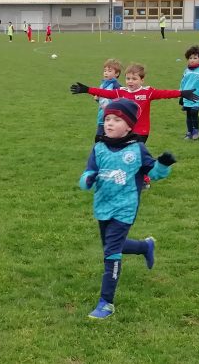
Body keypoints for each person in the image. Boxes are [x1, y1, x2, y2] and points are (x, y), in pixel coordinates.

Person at [79, 98, 176, 319]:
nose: (109, 123)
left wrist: (163, 165)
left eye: (116, 119)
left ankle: (106, 303)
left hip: (125, 208)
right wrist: (87, 179)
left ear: (129, 126)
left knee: (111, 253)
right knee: (112, 245)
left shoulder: (137, 149)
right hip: (102, 206)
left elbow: (152, 174)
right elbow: (87, 173)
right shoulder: (99, 148)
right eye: (107, 119)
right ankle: (144, 247)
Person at [71, 64, 199, 142]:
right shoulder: (122, 91)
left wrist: (182, 93)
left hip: (141, 131)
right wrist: (87, 89)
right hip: (126, 130)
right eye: (128, 79)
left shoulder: (148, 92)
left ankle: (144, 178)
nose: (130, 82)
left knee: (137, 155)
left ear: (142, 80)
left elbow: (165, 93)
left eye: (134, 79)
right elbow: (105, 93)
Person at [94, 59, 123, 136]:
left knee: (110, 141)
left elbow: (119, 103)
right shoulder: (103, 85)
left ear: (116, 74)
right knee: (99, 141)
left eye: (109, 71)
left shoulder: (117, 87)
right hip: (101, 118)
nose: (106, 73)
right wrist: (97, 99)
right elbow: (103, 101)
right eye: (105, 71)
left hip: (111, 120)